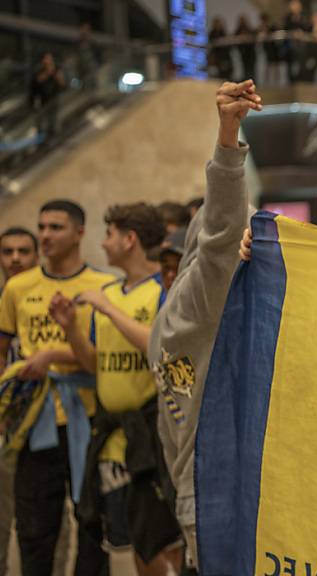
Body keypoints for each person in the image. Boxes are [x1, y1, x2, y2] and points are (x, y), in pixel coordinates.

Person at [148, 80, 261, 571]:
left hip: (199, 491)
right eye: (251, 238)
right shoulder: (197, 305)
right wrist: (228, 137)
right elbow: (221, 235)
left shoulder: (178, 316)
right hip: (216, 495)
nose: (254, 251)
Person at [50, 203, 183, 575]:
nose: (103, 243)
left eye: (109, 234)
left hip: (154, 436)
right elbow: (97, 364)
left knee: (163, 539)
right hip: (113, 439)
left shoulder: (164, 289)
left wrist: (108, 309)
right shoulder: (108, 293)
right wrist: (71, 329)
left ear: (130, 239)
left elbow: (160, 346)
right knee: (135, 542)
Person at [0, 200, 114, 576]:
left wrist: (52, 354)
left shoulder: (102, 286)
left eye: (56, 228)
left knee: (93, 522)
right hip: (34, 421)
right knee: (34, 527)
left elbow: (104, 359)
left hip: (91, 417)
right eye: (42, 227)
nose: (46, 235)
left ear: (80, 232)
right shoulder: (18, 288)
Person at [0, 227, 39, 576]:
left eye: (23, 251)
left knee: (35, 520)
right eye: (7, 251)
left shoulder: (44, 300)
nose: (14, 259)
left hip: (37, 425)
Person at [29, 52, 65, 141]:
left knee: (53, 120)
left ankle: (54, 137)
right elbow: (37, 81)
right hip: (42, 100)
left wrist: (55, 74)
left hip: (54, 97)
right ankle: (42, 140)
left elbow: (62, 83)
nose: (49, 61)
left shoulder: (56, 68)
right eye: (47, 59)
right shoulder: (38, 70)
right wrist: (48, 72)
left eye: (50, 58)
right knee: (40, 122)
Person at [235, 15, 257, 84]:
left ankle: (253, 83)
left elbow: (254, 38)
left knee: (252, 70)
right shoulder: (238, 30)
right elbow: (235, 38)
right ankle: (247, 84)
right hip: (243, 53)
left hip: (251, 52)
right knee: (245, 70)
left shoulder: (249, 29)